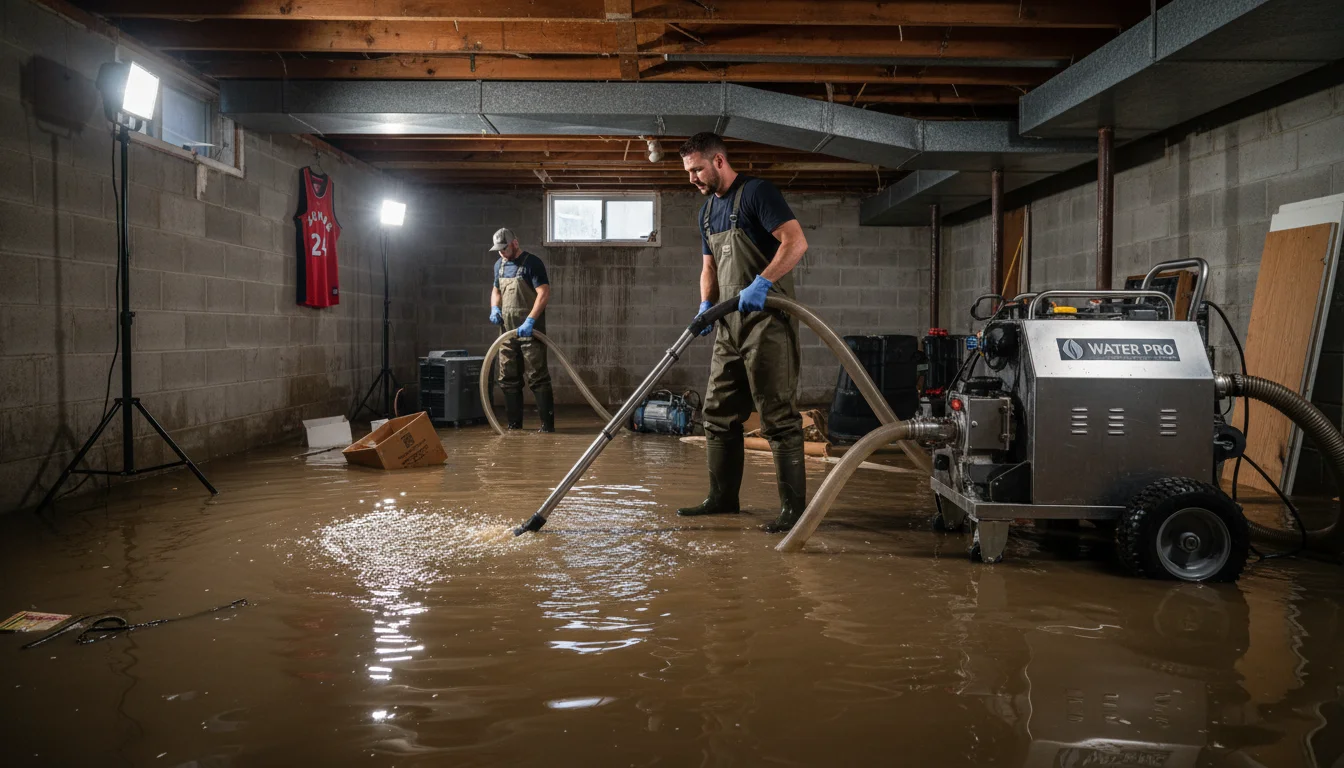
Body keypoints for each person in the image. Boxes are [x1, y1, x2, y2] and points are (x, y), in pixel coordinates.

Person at [676, 132, 810, 533]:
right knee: (717, 412)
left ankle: (793, 511)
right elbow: (709, 266)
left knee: (777, 415)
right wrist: (706, 304)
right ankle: (722, 498)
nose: (692, 179)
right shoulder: (706, 213)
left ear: (719, 161)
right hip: (728, 325)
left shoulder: (756, 193)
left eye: (697, 169)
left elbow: (796, 242)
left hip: (768, 321)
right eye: (687, 172)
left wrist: (763, 282)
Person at [488, 228, 555, 433]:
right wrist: (494, 307)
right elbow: (496, 290)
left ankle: (547, 427)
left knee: (537, 376)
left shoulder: (532, 263)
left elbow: (543, 293)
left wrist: (530, 321)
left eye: (504, 248)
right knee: (507, 378)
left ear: (515, 243)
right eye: (498, 249)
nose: (501, 253)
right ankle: (514, 426)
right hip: (507, 333)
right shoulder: (499, 265)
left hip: (530, 331)